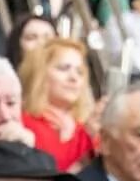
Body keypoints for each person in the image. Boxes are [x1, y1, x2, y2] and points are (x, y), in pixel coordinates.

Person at [17, 36, 97, 172]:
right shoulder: (23, 124)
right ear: (39, 74)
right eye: (63, 68)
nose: (74, 78)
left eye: (80, 72)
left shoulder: (89, 128)